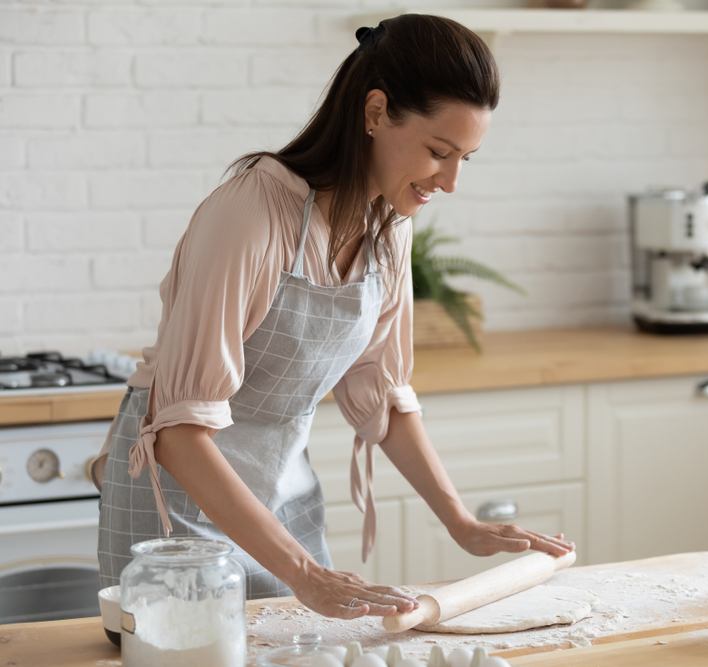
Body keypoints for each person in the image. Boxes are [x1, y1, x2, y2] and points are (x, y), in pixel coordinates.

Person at [91, 13, 574, 620]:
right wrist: (305, 574)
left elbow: (382, 393)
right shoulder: (253, 214)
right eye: (437, 152)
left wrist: (462, 522)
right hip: (179, 508)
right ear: (375, 113)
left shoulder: (388, 228)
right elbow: (179, 433)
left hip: (282, 497)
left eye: (465, 160)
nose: (449, 181)